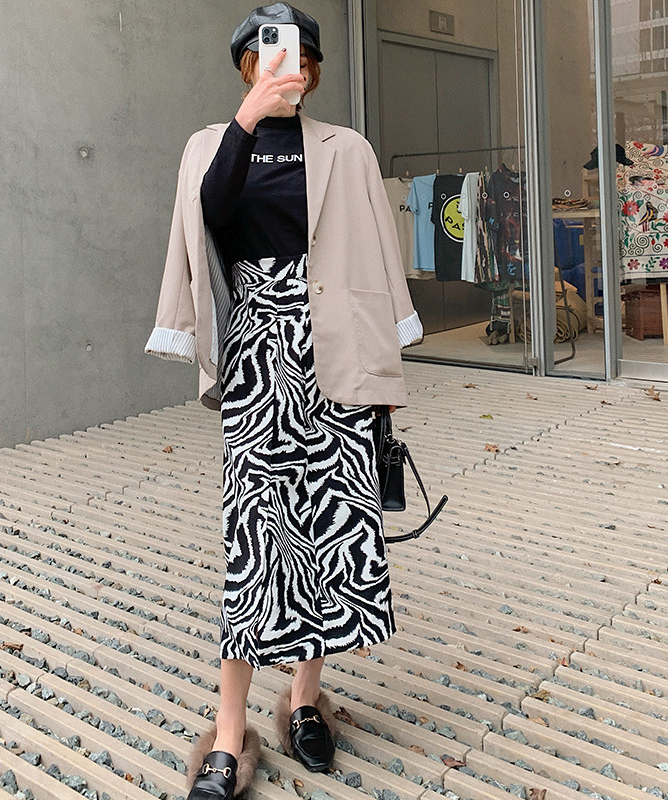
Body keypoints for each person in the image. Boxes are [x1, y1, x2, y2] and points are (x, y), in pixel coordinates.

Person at [144, 5, 423, 799]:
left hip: (339, 360)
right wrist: (248, 119)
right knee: (255, 539)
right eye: (270, 53)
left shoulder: (347, 149)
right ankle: (229, 731)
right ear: (246, 63)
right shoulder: (211, 144)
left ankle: (304, 697)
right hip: (260, 361)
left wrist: (382, 386)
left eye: (300, 55)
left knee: (330, 533)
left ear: (315, 67)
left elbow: (376, 260)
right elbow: (207, 217)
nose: (285, 65)